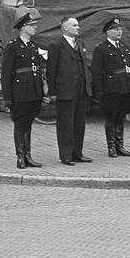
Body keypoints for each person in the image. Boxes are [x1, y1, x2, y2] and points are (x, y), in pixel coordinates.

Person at [0, 11, 48, 169]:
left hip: (34, 93)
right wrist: (7, 98)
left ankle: (28, 155)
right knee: (20, 125)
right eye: (32, 26)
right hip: (20, 93)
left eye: (35, 25)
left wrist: (42, 92)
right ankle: (20, 156)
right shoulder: (13, 47)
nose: (35, 28)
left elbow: (38, 71)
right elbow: (6, 74)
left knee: (28, 124)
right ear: (23, 28)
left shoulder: (33, 46)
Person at [45, 16, 92, 164]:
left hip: (81, 89)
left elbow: (84, 66)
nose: (78, 27)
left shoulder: (80, 43)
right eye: (74, 25)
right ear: (65, 28)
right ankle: (66, 154)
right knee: (66, 123)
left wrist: (88, 85)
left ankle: (77, 152)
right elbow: (51, 70)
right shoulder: (56, 45)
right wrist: (52, 92)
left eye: (78, 25)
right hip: (65, 89)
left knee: (79, 122)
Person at [91, 17, 130, 158]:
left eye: (120, 29)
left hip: (125, 87)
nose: (119, 32)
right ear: (108, 32)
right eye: (116, 29)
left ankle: (120, 145)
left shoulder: (124, 47)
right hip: (111, 88)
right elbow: (96, 71)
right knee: (111, 117)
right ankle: (111, 146)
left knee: (121, 116)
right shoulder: (101, 49)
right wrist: (99, 91)